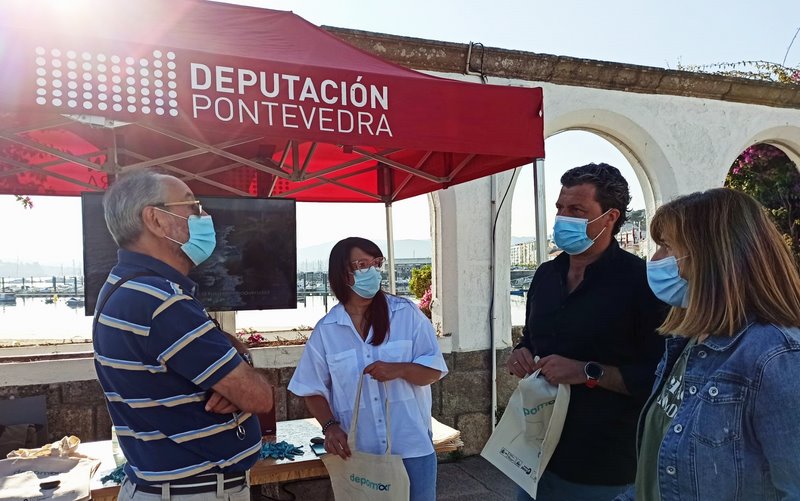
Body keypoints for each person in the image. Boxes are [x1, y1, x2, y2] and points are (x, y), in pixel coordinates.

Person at [93, 170, 274, 500]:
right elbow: (259, 397)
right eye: (192, 206)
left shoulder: (127, 288)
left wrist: (235, 371)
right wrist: (239, 380)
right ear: (155, 219)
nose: (203, 216)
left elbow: (232, 363)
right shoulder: (161, 302)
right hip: (192, 492)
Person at [616, 188, 800, 501]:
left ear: (712, 257)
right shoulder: (688, 342)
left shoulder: (776, 358)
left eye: (667, 246)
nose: (654, 259)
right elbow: (658, 471)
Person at [507, 163, 668, 501]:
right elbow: (533, 340)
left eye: (577, 210)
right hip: (534, 452)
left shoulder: (641, 283)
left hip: (602, 466)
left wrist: (587, 372)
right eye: (560, 208)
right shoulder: (546, 275)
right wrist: (521, 352)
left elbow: (658, 376)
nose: (562, 218)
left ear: (610, 217)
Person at [288, 237, 448, 501]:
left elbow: (433, 371)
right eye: (362, 265)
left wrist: (401, 369)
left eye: (376, 263)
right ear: (343, 273)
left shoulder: (406, 314)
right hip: (360, 453)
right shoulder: (327, 330)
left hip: (412, 449)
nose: (372, 271)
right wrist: (330, 426)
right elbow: (311, 388)